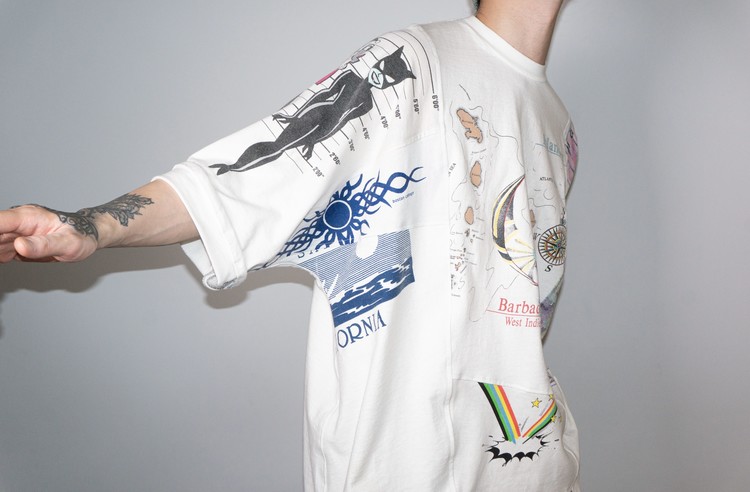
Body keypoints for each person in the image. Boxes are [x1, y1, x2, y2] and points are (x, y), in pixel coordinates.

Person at [0, 0, 581, 490]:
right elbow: (245, 181)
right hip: (411, 464)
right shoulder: (416, 63)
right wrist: (91, 224)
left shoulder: (558, 121)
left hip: (530, 460)